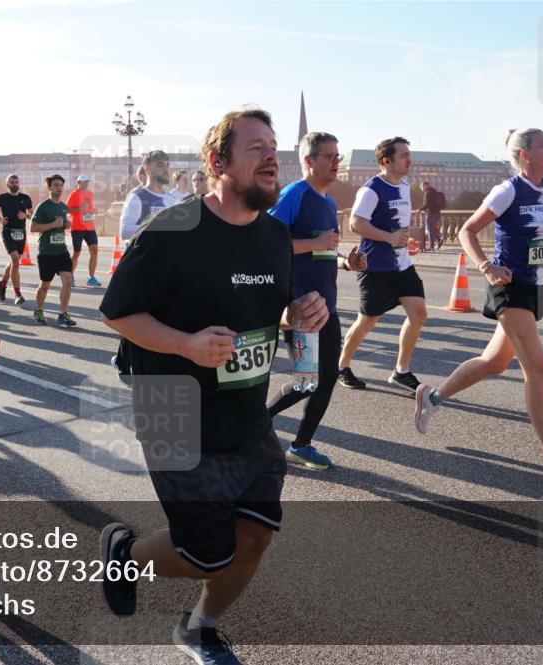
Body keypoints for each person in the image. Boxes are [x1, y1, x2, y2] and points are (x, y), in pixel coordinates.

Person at [99, 109, 328, 665]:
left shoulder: (275, 235)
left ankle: (200, 628)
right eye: (256, 148)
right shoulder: (173, 231)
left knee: (254, 536)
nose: (271, 156)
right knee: (206, 553)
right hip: (172, 408)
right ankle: (125, 552)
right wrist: (184, 344)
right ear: (217, 162)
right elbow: (118, 312)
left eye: (273, 146)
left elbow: (266, 310)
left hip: (244, 412)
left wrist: (301, 312)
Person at [414, 128, 543, 482]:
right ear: (526, 154)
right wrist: (486, 266)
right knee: (539, 370)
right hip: (509, 286)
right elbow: (467, 230)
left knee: (493, 362)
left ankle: (432, 397)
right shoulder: (508, 190)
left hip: (537, 288)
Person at [267, 132, 366, 471]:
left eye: (338, 155)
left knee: (324, 381)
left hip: (328, 307)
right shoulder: (294, 194)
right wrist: (317, 242)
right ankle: (255, 424)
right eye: (329, 156)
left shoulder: (326, 203)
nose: (336, 161)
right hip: (300, 309)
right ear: (308, 161)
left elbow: (323, 248)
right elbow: (266, 242)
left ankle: (301, 445)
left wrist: (345, 262)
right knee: (308, 381)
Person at [337, 136, 426, 393]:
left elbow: (397, 222)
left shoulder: (405, 184)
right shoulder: (371, 189)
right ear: (387, 161)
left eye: (409, 154)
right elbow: (356, 223)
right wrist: (389, 238)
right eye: (404, 155)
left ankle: (401, 371)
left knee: (419, 313)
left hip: (402, 265)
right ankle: (342, 366)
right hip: (375, 266)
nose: (409, 159)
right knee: (367, 321)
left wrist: (405, 241)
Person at [31, 174, 77, 327]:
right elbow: (33, 227)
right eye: (56, 185)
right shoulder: (43, 206)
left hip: (61, 251)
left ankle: (63, 314)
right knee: (45, 285)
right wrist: (53, 224)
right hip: (46, 252)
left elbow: (60, 225)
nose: (59, 188)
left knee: (68, 280)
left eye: (61, 185)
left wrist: (65, 225)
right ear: (50, 188)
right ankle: (38, 310)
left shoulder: (63, 207)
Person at [118, 150, 180, 241]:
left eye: (167, 165)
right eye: (160, 165)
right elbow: (125, 231)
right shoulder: (137, 197)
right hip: (144, 254)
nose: (166, 170)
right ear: (147, 168)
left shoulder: (172, 200)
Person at [0, 174, 33, 304]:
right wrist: (0, 219)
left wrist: (25, 215)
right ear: (7, 184)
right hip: (8, 232)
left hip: (21, 233)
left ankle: (2, 283)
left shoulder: (25, 198)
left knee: (13, 263)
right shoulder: (2, 198)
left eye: (16, 181)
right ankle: (17, 294)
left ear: (19, 183)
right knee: (15, 260)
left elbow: (33, 214)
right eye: (12, 182)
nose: (14, 184)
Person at [66, 174, 100, 286]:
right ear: (79, 182)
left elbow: (89, 208)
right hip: (77, 227)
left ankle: (91, 277)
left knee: (94, 251)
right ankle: (70, 276)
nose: (86, 184)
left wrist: (93, 210)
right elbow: (67, 210)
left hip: (90, 226)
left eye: (87, 182)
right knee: (77, 253)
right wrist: (81, 208)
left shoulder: (90, 194)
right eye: (84, 182)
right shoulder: (74, 194)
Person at [417, 180, 445, 252]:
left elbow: (427, 204)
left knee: (430, 230)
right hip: (437, 213)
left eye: (421, 186)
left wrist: (420, 209)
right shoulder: (434, 191)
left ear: (425, 185)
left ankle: (431, 246)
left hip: (431, 214)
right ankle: (439, 240)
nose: (421, 188)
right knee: (433, 229)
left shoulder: (428, 192)